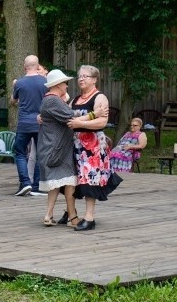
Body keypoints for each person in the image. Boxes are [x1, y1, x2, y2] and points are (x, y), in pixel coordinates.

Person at [66, 65, 122, 231]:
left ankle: (89, 218)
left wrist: (79, 123)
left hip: (93, 147)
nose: (81, 79)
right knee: (73, 179)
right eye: (80, 76)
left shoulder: (100, 98)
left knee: (91, 180)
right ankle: (70, 212)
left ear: (95, 79)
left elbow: (102, 122)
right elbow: (67, 117)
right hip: (76, 144)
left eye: (86, 76)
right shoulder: (75, 100)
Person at [37, 70, 79, 227]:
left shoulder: (49, 100)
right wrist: (94, 115)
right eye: (65, 83)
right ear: (58, 84)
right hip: (58, 149)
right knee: (69, 181)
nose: (67, 86)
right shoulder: (53, 101)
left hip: (54, 147)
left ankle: (49, 214)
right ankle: (72, 217)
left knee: (55, 182)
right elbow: (71, 116)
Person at [10, 55, 47, 196]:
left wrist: (15, 91)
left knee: (19, 152)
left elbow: (13, 101)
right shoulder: (45, 82)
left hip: (24, 123)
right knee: (39, 154)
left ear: (24, 66)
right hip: (40, 123)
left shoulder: (19, 83)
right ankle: (37, 186)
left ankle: (25, 183)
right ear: (38, 66)